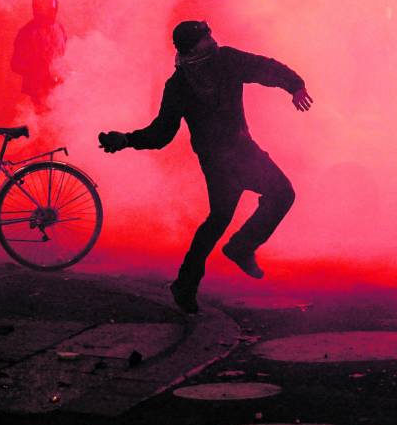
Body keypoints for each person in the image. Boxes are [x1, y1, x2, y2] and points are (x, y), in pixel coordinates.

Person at [98, 20, 312, 314]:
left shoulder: (226, 60)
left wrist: (294, 84)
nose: (212, 40)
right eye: (205, 38)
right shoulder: (179, 86)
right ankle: (231, 254)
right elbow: (162, 133)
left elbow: (264, 67)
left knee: (230, 215)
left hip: (239, 152)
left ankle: (192, 280)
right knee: (262, 201)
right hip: (220, 160)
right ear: (191, 48)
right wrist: (126, 139)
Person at [10, 0, 67, 112]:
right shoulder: (27, 33)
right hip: (37, 91)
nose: (53, 13)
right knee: (41, 119)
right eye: (50, 10)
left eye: (54, 9)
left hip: (58, 89)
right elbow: (15, 65)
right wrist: (38, 70)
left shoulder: (59, 28)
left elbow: (65, 54)